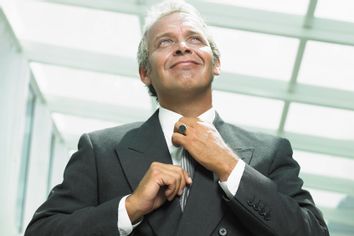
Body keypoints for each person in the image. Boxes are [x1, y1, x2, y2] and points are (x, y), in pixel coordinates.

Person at [25, 1, 329, 235]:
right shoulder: (101, 151)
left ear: (216, 63)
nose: (183, 46)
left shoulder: (269, 154)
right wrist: (129, 209)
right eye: (165, 42)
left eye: (195, 39)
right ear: (146, 73)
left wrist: (229, 166)